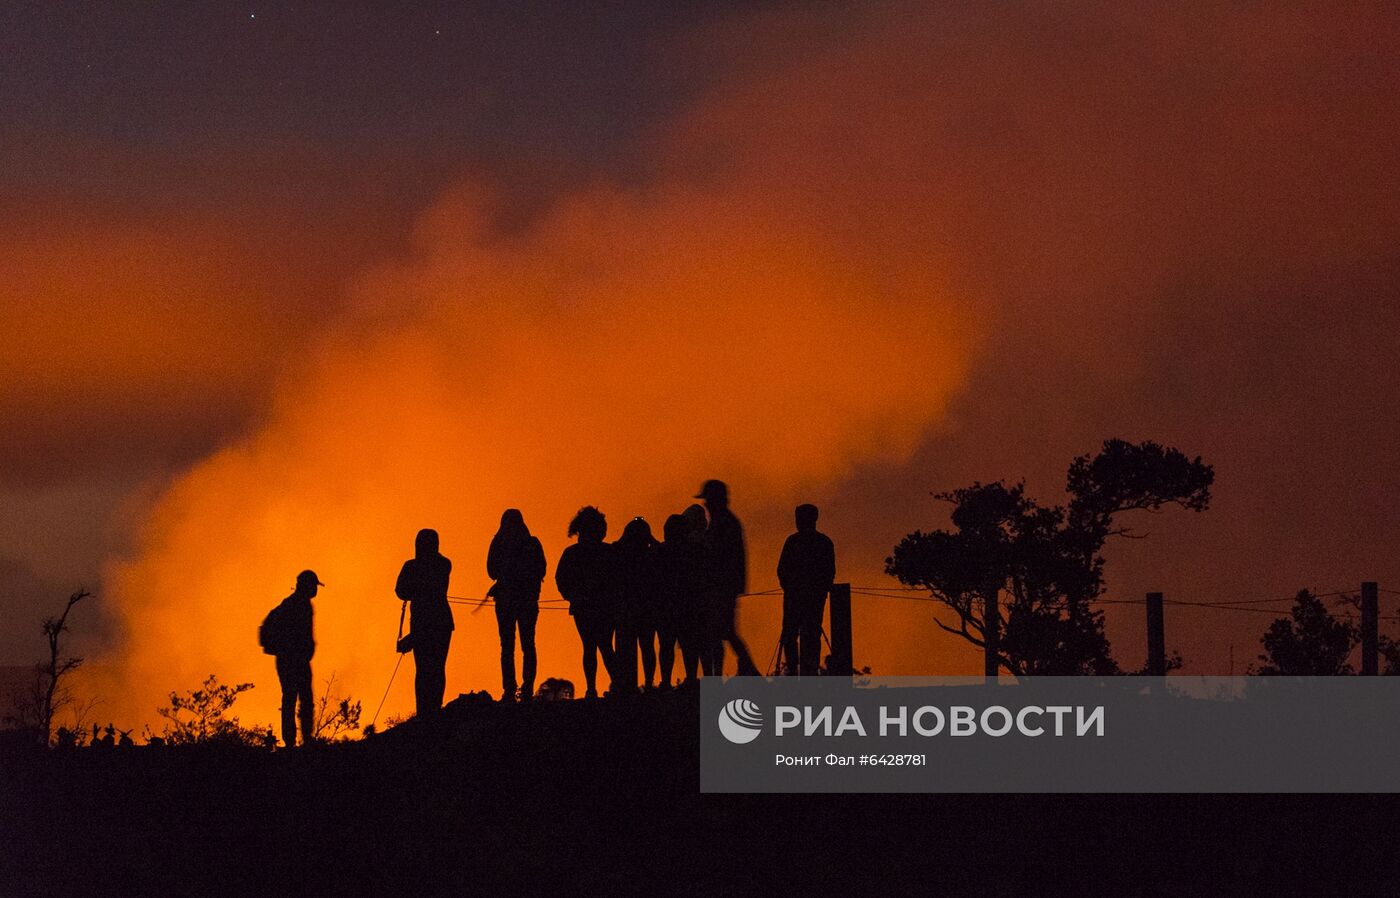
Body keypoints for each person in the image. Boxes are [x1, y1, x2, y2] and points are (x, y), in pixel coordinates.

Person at [695, 480, 760, 676]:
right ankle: (741, 669)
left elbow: (718, 557)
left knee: (722, 632)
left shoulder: (724, 524)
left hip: (720, 587)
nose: (705, 504)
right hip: (723, 587)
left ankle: (745, 669)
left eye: (707, 499)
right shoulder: (725, 521)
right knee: (723, 632)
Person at [555, 506, 616, 698]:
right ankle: (616, 684)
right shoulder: (608, 552)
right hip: (603, 606)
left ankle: (592, 688)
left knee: (590, 646)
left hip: (584, 606)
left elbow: (561, 579)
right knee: (605, 645)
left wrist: (572, 595)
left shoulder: (572, 553)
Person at [487, 509, 547, 702]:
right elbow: (541, 569)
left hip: (506, 601)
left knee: (508, 646)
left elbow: (491, 571)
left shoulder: (499, 543)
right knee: (527, 645)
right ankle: (526, 688)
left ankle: (510, 689)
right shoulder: (532, 543)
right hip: (527, 601)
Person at [395, 528, 454, 719]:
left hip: (424, 624)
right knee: (435, 667)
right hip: (440, 622)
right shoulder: (443, 564)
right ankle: (432, 710)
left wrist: (415, 588)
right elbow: (403, 590)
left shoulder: (412, 566)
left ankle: (426, 712)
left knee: (425, 670)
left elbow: (402, 590)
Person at [777, 504, 836, 676]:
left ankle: (793, 670)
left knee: (790, 635)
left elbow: (781, 570)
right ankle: (809, 672)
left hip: (794, 598)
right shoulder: (824, 543)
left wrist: (788, 586)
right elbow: (829, 573)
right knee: (811, 634)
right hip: (814, 598)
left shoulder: (792, 542)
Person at [265, 569, 322, 747]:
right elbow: (301, 634)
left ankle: (292, 741)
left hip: (290, 659)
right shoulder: (299, 605)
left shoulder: (291, 604)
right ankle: (301, 740)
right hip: (294, 660)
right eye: (314, 585)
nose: (315, 589)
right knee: (300, 698)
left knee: (291, 698)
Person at [657, 512, 706, 686]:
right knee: (688, 644)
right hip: (687, 605)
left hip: (666, 606)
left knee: (667, 645)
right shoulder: (693, 551)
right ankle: (691, 678)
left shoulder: (661, 551)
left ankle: (665, 681)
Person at [613, 517, 660, 693]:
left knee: (627, 648)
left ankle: (627, 685)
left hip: (626, 608)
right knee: (647, 646)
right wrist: (652, 540)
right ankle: (648, 683)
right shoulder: (651, 554)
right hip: (647, 607)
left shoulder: (619, 553)